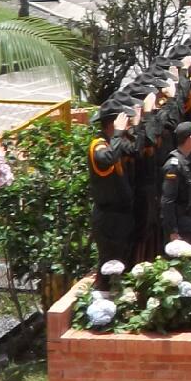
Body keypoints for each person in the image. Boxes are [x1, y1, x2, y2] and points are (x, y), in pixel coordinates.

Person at [87, 103, 136, 269]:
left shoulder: (113, 142)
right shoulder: (98, 145)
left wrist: (136, 127)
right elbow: (108, 158)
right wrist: (118, 133)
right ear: (113, 124)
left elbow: (135, 149)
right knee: (109, 265)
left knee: (122, 261)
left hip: (120, 215)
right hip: (108, 218)